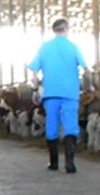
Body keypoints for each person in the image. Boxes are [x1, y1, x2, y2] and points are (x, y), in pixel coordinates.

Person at [28, 18, 89, 174]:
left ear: (54, 30)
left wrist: (35, 90)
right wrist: (88, 85)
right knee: (70, 126)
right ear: (66, 29)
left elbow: (34, 71)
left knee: (52, 125)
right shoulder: (73, 47)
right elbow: (86, 68)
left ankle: (53, 162)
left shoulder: (45, 47)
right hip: (70, 93)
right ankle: (70, 163)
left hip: (51, 93)